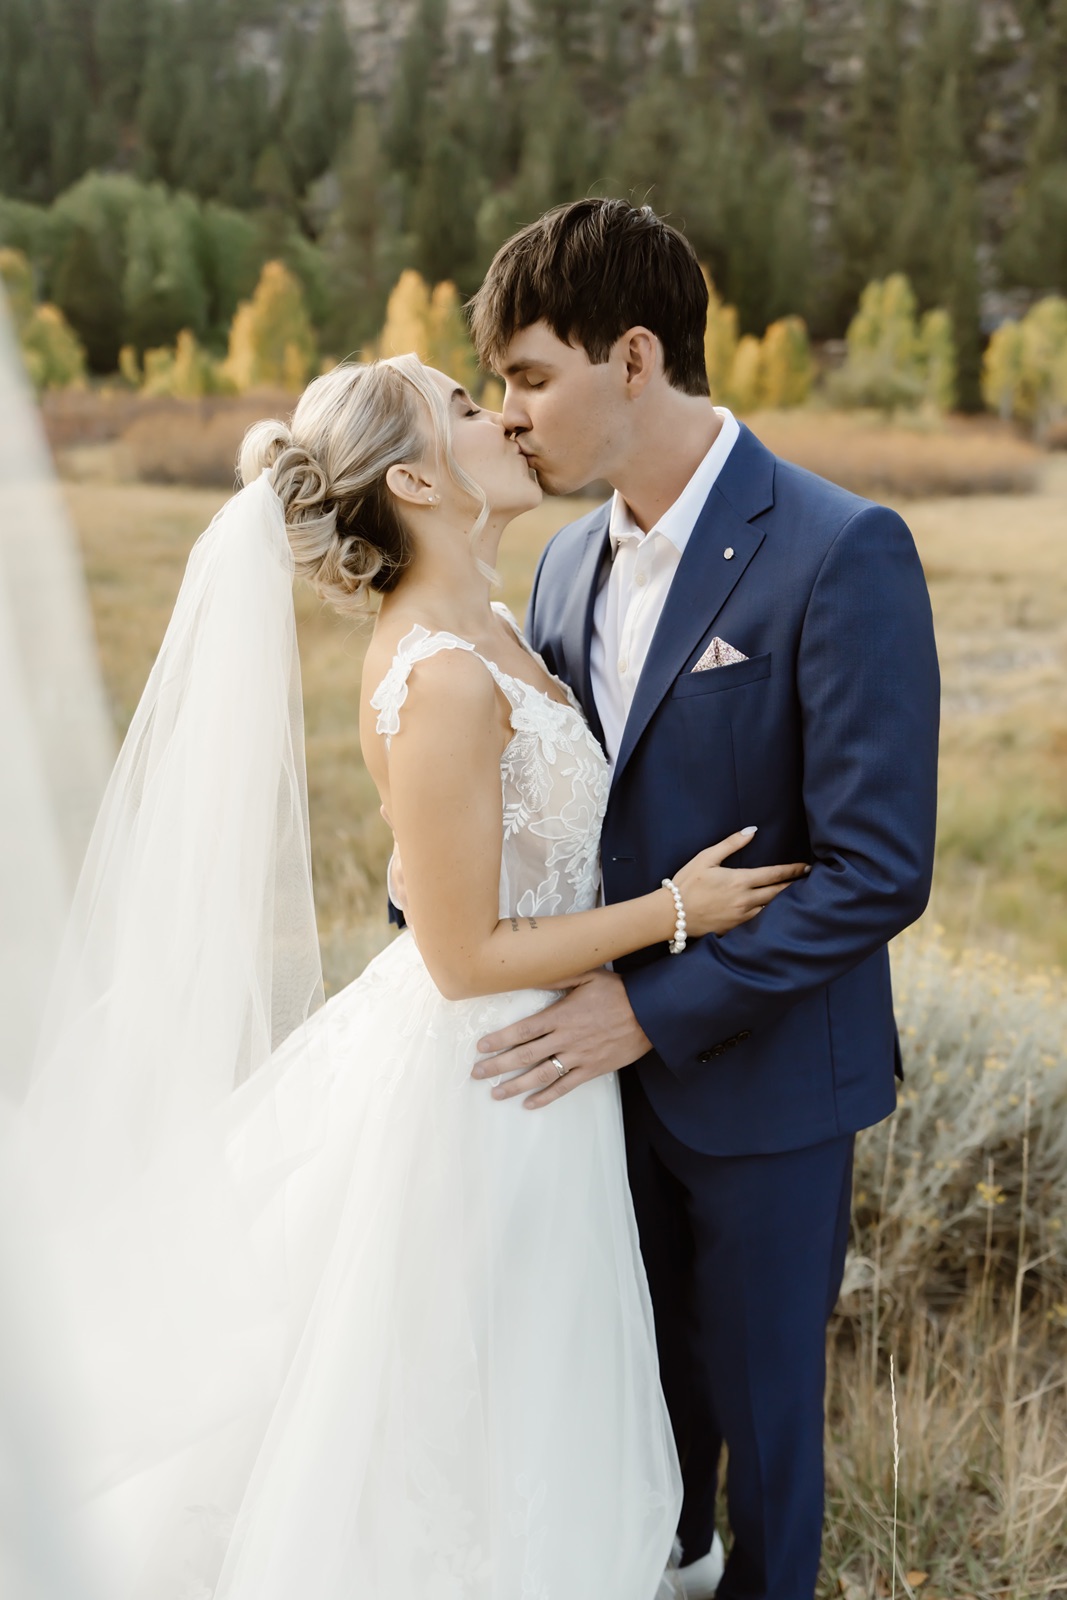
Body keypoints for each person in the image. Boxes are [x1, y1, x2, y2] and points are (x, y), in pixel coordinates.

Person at [15, 351, 811, 1600]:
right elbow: (457, 956)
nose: (495, 415)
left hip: (542, 1064)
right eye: (459, 406)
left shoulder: (492, 621)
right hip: (486, 1078)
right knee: (452, 1410)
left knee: (518, 1391)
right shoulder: (437, 675)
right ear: (414, 480)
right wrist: (674, 911)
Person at [464, 199, 941, 1600]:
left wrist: (648, 1010)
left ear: (630, 357)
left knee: (766, 1477)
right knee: (631, 1449)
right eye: (495, 386)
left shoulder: (836, 547)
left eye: (529, 377)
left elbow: (874, 870)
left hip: (767, 1101)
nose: (510, 418)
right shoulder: (558, 562)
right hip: (586, 1108)